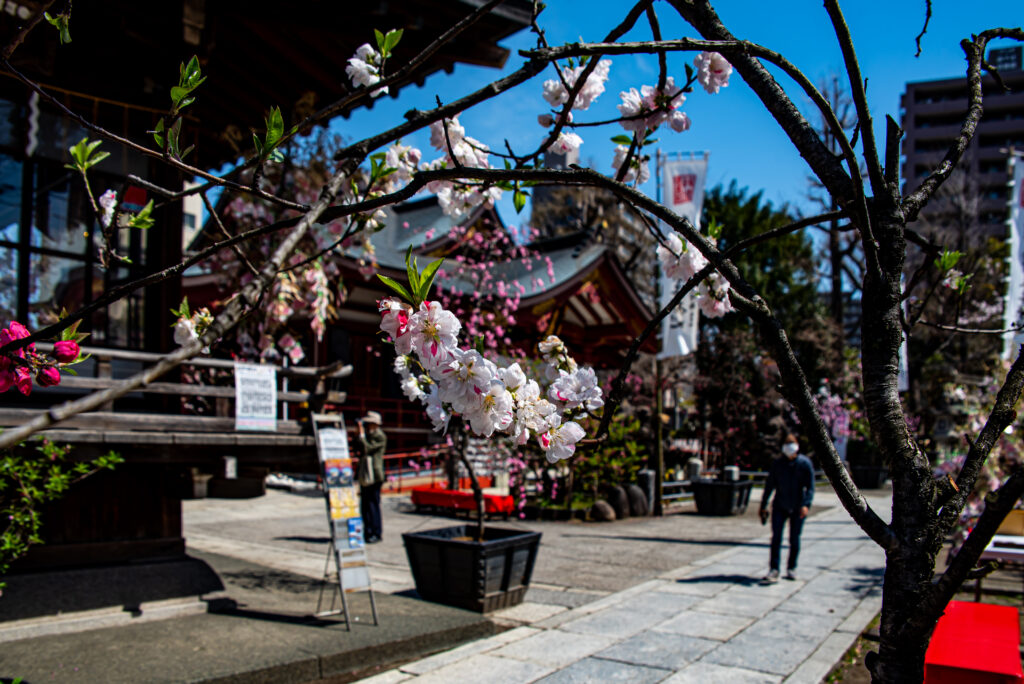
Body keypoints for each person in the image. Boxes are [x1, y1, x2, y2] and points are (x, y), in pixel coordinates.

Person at [760, 432, 814, 583]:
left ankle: (792, 567)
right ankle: (774, 568)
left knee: (794, 538)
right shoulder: (778, 464)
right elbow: (769, 485)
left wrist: (806, 504)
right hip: (780, 504)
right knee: (776, 538)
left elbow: (810, 487)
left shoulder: (804, 464)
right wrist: (763, 505)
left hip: (797, 505)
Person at [357, 411, 386, 544]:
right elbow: (358, 448)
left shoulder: (380, 436)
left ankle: (376, 531)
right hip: (365, 472)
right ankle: (367, 530)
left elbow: (367, 448)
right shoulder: (367, 435)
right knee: (364, 504)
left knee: (373, 504)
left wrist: (362, 435)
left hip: (375, 474)